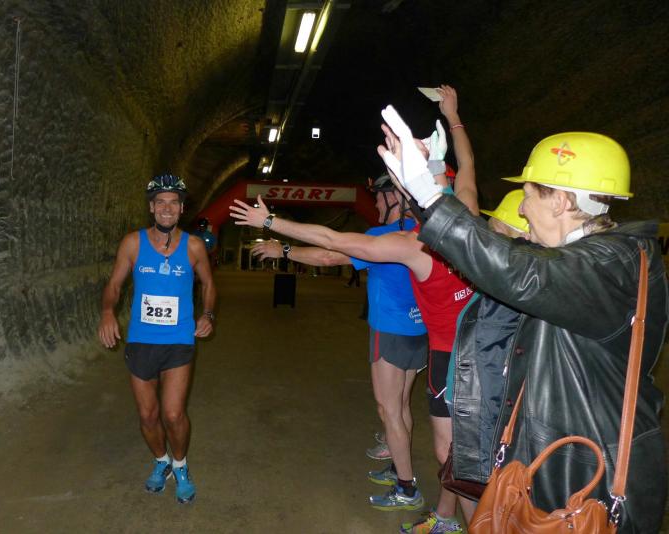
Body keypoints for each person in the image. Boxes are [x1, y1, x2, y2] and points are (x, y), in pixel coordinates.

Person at [379, 106, 668, 533]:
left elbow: (518, 271)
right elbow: (496, 254)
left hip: (586, 475)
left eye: (529, 194)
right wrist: (433, 182)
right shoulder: (586, 259)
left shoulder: (610, 265)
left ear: (562, 202)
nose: (523, 210)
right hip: (562, 456)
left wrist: (430, 196)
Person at [231, 85, 478, 534]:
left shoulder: (410, 242)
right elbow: (469, 165)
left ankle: (415, 492)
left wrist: (270, 224)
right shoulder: (469, 213)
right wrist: (453, 116)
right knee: (445, 441)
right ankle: (441, 512)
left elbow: (331, 244)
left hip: (443, 352)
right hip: (465, 345)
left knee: (434, 441)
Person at [251, 174, 429, 511]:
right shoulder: (419, 232)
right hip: (418, 330)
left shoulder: (382, 236)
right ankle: (399, 467)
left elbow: (329, 255)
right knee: (403, 405)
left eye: (379, 196)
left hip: (390, 330)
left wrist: (283, 248)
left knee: (388, 409)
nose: (374, 202)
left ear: (394, 198)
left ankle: (407, 488)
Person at [97, 173, 216, 505]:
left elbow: (208, 284)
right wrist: (107, 311)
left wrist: (207, 314)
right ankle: (161, 460)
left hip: (179, 340)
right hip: (141, 340)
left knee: (173, 414)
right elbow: (115, 285)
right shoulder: (132, 243)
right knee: (148, 416)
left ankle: (180, 466)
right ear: (151, 207)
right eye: (160, 202)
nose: (166, 208)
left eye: (173, 202)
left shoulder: (194, 246)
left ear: (181, 208)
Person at [442, 189, 529, 505]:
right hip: (473, 399)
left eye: (495, 232)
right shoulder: (501, 282)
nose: (488, 240)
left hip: (481, 407)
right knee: (465, 476)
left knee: (476, 485)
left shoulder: (509, 288)